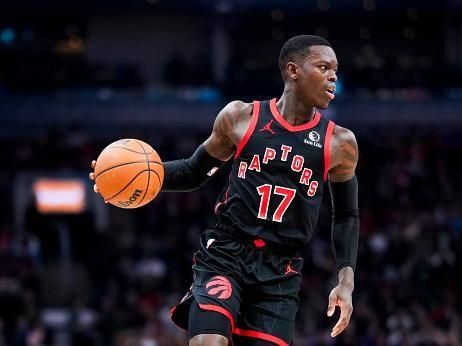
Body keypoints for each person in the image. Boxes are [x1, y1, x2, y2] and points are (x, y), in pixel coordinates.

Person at [90, 34, 359, 346]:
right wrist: (137, 175)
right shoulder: (241, 118)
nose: (333, 76)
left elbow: (347, 214)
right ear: (293, 71)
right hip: (227, 253)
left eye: (335, 69)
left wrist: (346, 281)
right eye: (323, 67)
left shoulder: (340, 143)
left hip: (279, 272)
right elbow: (194, 171)